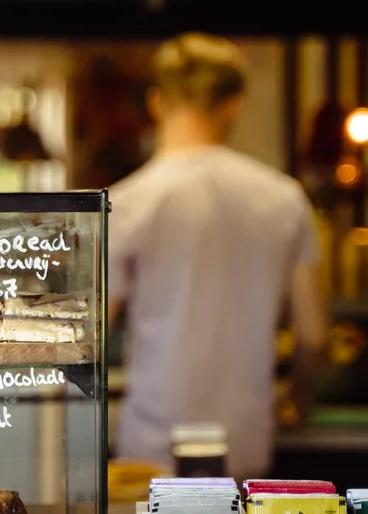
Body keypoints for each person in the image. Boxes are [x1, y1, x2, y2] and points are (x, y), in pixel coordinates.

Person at [109, 32, 328, 479]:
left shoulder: (125, 203)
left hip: (152, 446)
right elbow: (315, 337)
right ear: (234, 104)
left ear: (157, 102)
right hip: (245, 442)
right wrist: (296, 400)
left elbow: (93, 335)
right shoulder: (285, 198)